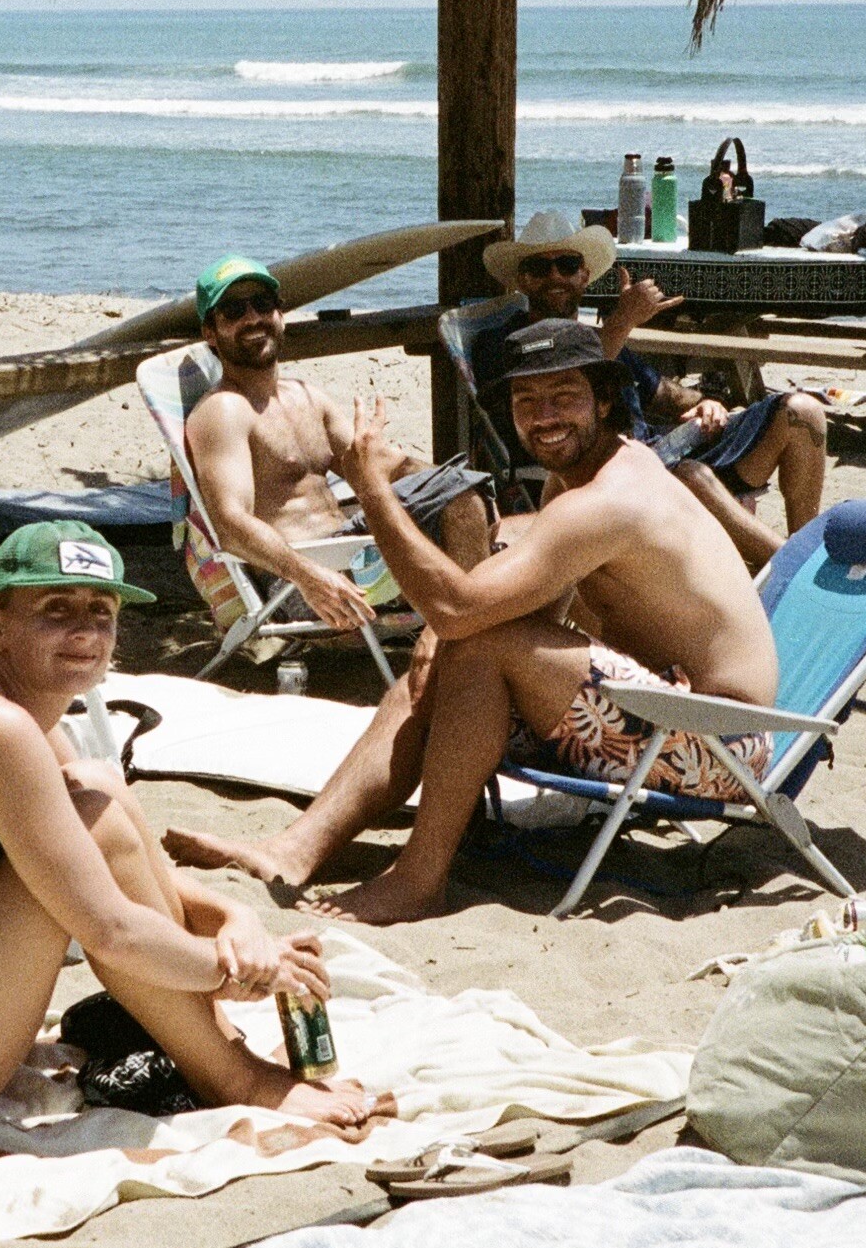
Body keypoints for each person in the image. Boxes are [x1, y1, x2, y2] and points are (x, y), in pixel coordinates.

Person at [0, 522, 384, 1138]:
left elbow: (121, 868)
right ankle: (234, 1076)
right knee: (94, 812)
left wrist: (237, 919)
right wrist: (237, 971)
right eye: (55, 610)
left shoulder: (25, 724)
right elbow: (110, 927)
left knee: (100, 787)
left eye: (101, 612)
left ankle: (222, 1051)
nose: (85, 632)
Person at [196, 323, 778, 926]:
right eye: (526, 402)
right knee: (445, 658)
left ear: (605, 400)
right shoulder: (582, 477)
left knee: (477, 644)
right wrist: (444, 639)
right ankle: (295, 850)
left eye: (564, 397)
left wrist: (372, 489)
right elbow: (513, 610)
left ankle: (421, 880)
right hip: (658, 714)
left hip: (716, 740)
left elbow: (455, 608)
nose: (544, 417)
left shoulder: (608, 499)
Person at [471, 210, 827, 568]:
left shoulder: (595, 339)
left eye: (566, 264)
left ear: (585, 275)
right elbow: (564, 387)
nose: (554, 277)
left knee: (801, 413)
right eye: (538, 268)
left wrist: (706, 402)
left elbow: (660, 393)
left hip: (662, 451)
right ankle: (797, 572)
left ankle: (805, 545)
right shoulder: (508, 343)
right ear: (522, 280)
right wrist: (622, 321)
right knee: (692, 478)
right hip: (605, 474)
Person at [181, 254, 497, 632]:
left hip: (356, 553)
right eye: (233, 311)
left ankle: (469, 629)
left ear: (280, 315)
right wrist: (311, 577)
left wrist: (461, 487)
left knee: (468, 495)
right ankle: (474, 637)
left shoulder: (307, 396)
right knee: (461, 502)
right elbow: (231, 526)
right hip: (306, 584)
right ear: (211, 333)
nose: (252, 318)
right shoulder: (224, 411)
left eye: (262, 304)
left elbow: (380, 467)